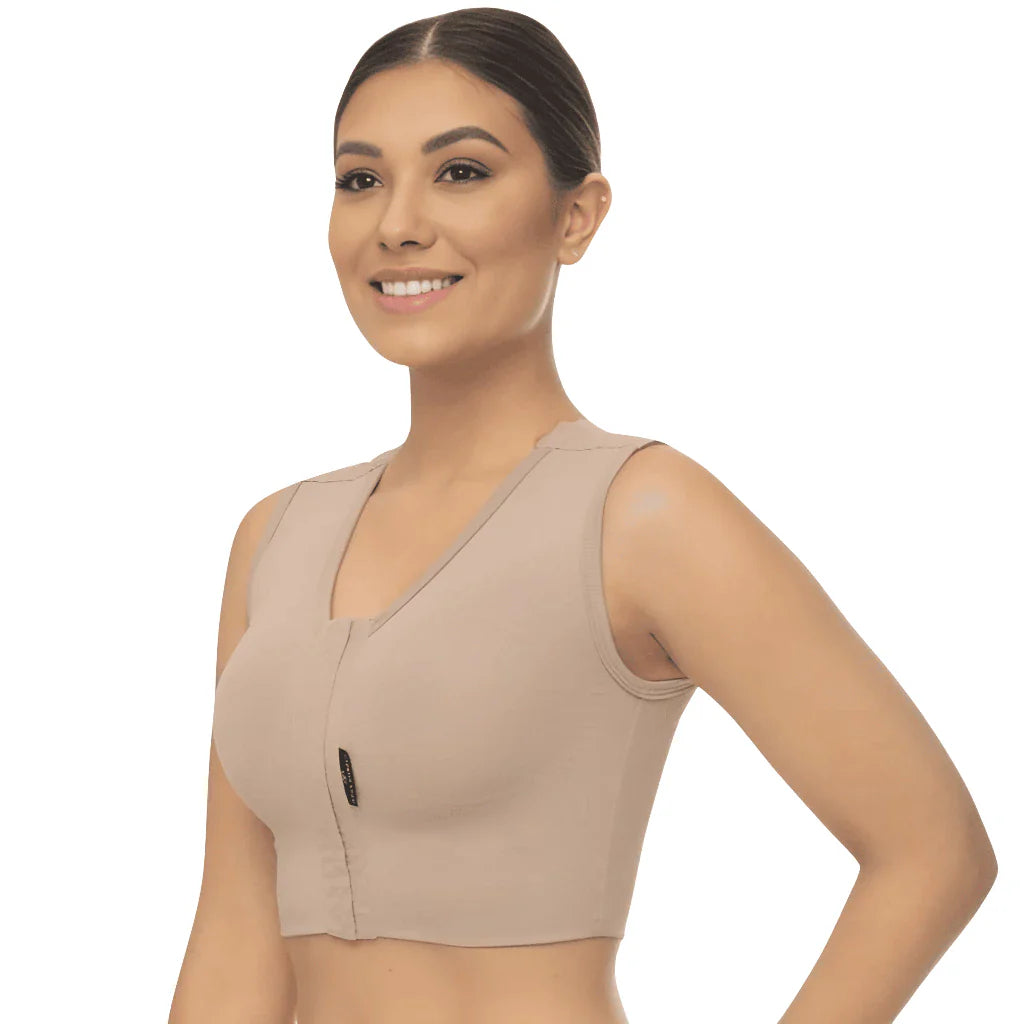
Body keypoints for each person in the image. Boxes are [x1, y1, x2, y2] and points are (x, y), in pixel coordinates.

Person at [169, 10, 997, 1024]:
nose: (397, 223)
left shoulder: (641, 515)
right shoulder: (274, 538)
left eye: (461, 172)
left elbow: (932, 851)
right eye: (360, 179)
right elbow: (235, 930)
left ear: (577, 216)